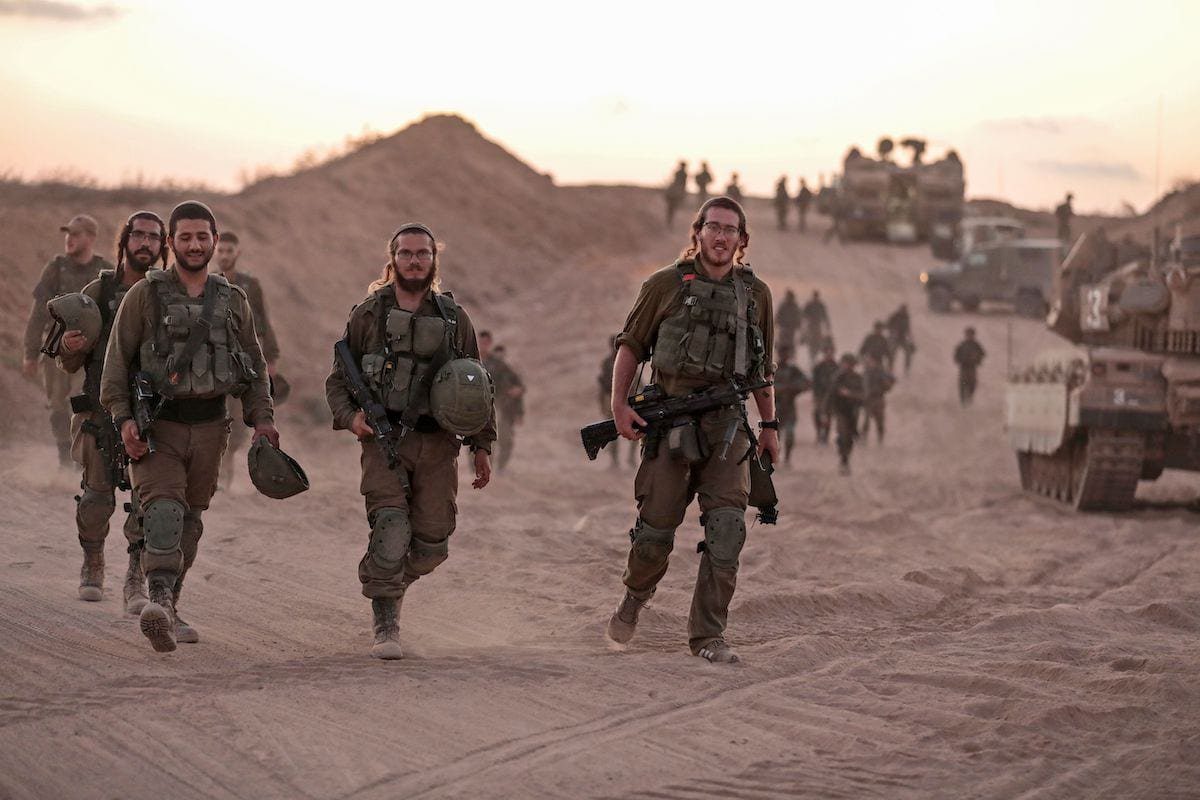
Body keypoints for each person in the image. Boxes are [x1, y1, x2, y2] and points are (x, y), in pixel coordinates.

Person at [605, 196, 777, 664]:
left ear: (742, 239)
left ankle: (708, 636)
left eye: (730, 230)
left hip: (728, 428)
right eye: (713, 227)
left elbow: (762, 367)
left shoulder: (755, 294)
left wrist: (770, 425)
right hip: (671, 423)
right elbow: (630, 347)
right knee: (655, 535)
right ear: (697, 232)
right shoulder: (665, 284)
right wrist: (619, 405)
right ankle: (634, 599)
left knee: (726, 529)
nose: (721, 237)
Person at [101, 200, 278, 653]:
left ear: (215, 242)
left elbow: (254, 368)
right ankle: (156, 599)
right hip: (158, 427)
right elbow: (116, 364)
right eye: (185, 237)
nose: (195, 245)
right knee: (162, 509)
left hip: (212, 427)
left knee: (191, 522)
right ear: (171, 243)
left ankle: (170, 604)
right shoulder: (146, 294)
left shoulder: (233, 300)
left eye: (202, 237)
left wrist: (262, 421)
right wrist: (123, 420)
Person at [326, 222, 495, 660]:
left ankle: (390, 582)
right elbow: (338, 382)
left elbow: (476, 386)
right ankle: (386, 621)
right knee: (390, 528)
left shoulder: (455, 319)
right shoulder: (367, 315)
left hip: (439, 444)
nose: (414, 260)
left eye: (422, 253)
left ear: (433, 259)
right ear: (392, 259)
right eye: (406, 253)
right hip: (383, 442)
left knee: (433, 542)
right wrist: (352, 418)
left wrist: (482, 446)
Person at [56, 210, 166, 609]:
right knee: (96, 499)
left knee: (146, 502)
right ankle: (93, 560)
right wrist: (69, 347)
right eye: (139, 235)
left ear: (162, 246)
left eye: (154, 238)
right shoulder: (99, 293)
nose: (146, 244)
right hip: (100, 412)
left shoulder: (166, 294)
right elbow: (67, 362)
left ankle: (135, 577)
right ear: (125, 241)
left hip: (151, 415)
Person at [23, 214, 113, 465]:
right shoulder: (55, 268)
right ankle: (64, 454)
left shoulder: (104, 271)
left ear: (91, 238)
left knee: (81, 399)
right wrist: (30, 353)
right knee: (57, 407)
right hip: (55, 346)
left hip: (89, 350)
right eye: (68, 234)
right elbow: (38, 313)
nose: (69, 239)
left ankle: (79, 457)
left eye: (75, 234)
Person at [215, 232, 281, 489]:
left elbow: (262, 322)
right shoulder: (207, 282)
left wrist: (271, 357)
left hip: (243, 363)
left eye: (229, 251)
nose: (224, 256)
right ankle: (219, 477)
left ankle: (226, 467)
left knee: (239, 422)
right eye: (220, 251)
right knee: (217, 419)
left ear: (237, 253)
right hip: (214, 361)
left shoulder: (250, 285)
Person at [479, 332, 525, 473]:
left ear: (490, 343)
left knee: (503, 439)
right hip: (476, 409)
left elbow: (518, 385)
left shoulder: (498, 364)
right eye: (481, 342)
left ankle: (498, 469)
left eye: (486, 342)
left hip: (499, 408)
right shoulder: (469, 359)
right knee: (479, 442)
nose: (483, 346)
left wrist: (517, 395)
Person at [598, 335, 640, 468]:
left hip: (629, 400)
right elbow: (603, 384)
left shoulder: (627, 360)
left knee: (636, 429)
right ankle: (615, 460)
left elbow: (638, 381)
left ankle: (630, 458)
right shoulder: (608, 363)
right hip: (613, 400)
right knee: (612, 431)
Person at [825, 353, 865, 475]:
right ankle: (843, 460)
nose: (846, 366)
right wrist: (825, 412)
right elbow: (830, 395)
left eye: (849, 364)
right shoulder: (837, 377)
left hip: (853, 412)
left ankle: (846, 459)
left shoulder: (858, 378)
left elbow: (863, 396)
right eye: (845, 363)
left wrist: (850, 394)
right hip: (840, 411)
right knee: (842, 435)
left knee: (849, 437)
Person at [773, 346, 810, 464]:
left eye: (787, 354)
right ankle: (776, 456)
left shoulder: (794, 370)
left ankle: (787, 457)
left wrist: (793, 388)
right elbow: (765, 385)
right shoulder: (773, 369)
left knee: (790, 434)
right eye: (783, 354)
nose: (785, 356)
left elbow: (805, 382)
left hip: (789, 406)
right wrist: (779, 389)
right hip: (776, 406)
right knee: (775, 435)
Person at [859, 353, 894, 445]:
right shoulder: (865, 372)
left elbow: (891, 381)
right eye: (868, 361)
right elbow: (860, 384)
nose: (868, 362)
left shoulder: (881, 372)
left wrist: (883, 387)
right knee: (866, 420)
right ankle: (864, 439)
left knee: (879, 420)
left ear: (875, 361)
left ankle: (880, 439)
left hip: (878, 399)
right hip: (867, 399)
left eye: (870, 360)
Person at [810, 342, 838, 445]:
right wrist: (815, 395)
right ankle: (818, 433)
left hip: (831, 396)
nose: (829, 354)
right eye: (827, 352)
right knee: (817, 414)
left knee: (829, 416)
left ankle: (825, 436)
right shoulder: (818, 367)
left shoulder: (836, 366)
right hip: (820, 394)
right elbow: (814, 382)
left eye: (831, 352)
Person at [954, 327, 986, 406]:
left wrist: (978, 360)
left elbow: (982, 354)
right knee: (962, 383)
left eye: (971, 334)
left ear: (973, 335)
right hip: (964, 367)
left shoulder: (976, 345)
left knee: (972, 383)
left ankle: (970, 396)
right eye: (968, 334)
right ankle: (962, 399)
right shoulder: (962, 345)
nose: (969, 336)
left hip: (972, 367)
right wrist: (959, 361)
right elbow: (956, 355)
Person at [799, 290, 832, 367]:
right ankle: (812, 358)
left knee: (817, 343)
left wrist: (827, 326)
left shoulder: (820, 305)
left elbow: (825, 317)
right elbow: (803, 316)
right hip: (811, 327)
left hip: (817, 327)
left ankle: (814, 358)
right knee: (811, 343)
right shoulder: (810, 305)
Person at [884, 303, 914, 374]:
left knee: (908, 352)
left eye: (905, 310)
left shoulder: (906, 317)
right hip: (894, 338)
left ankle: (907, 369)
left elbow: (907, 328)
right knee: (892, 354)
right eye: (902, 309)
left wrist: (911, 339)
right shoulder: (895, 316)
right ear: (900, 309)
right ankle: (889, 369)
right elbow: (887, 325)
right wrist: (893, 330)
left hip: (902, 338)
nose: (903, 311)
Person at [775, 288, 802, 353]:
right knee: (782, 343)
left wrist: (798, 325)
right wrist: (776, 323)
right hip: (784, 327)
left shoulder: (795, 306)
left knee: (790, 344)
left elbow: (798, 317)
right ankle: (782, 355)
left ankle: (790, 356)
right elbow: (778, 315)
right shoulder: (783, 305)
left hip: (791, 329)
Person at [664, 160, 689, 228]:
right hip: (677, 191)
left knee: (671, 208)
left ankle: (669, 221)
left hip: (674, 191)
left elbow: (673, 180)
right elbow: (684, 184)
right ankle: (669, 222)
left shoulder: (678, 172)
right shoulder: (684, 174)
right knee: (672, 208)